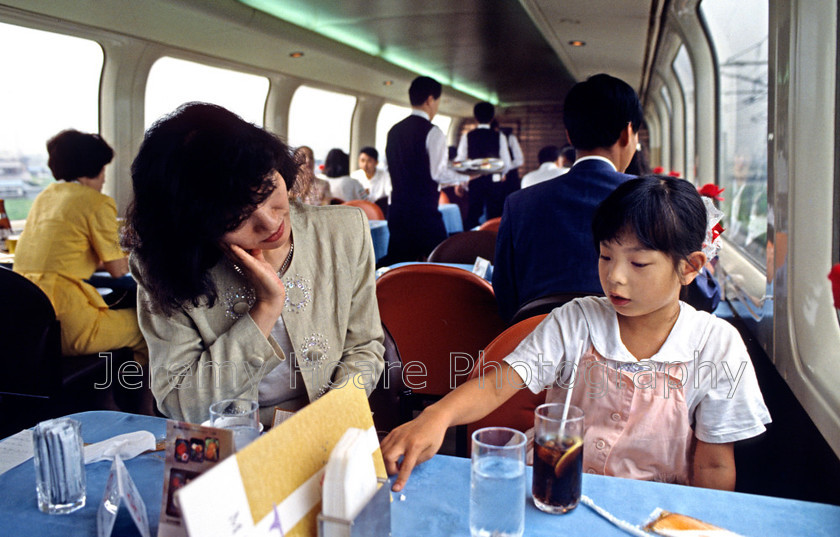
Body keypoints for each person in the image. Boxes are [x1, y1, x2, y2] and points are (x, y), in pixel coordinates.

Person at [381, 176, 771, 492]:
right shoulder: (578, 321)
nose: (615, 276)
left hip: (652, 507)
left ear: (690, 267)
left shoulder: (716, 345)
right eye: (605, 256)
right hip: (556, 487)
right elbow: (501, 382)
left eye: (638, 263)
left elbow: (715, 461)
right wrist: (436, 415)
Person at [124, 103, 385, 424]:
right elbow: (181, 403)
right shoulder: (164, 267)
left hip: (329, 424)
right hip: (229, 435)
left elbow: (365, 347)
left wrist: (331, 416)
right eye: (236, 218)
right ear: (193, 227)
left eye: (266, 188)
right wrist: (266, 307)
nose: (269, 220)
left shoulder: (343, 232)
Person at [493, 73, 641, 323]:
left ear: (570, 136)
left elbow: (505, 297)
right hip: (630, 354)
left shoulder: (518, 204)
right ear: (628, 134)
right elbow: (694, 295)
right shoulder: (656, 200)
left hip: (535, 349)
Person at [13, 130, 148, 367]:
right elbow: (118, 270)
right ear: (95, 168)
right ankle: (136, 405)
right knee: (146, 328)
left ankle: (106, 394)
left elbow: (63, 258)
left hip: (28, 321)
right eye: (104, 170)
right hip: (66, 321)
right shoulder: (97, 202)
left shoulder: (46, 197)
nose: (104, 179)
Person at [384, 76, 473, 263]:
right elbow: (437, 173)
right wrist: (465, 176)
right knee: (442, 262)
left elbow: (388, 167)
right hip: (423, 212)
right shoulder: (434, 132)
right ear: (430, 100)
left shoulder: (393, 131)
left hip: (397, 211)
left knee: (400, 266)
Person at [456, 102, 512, 229]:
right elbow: (507, 163)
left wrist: (461, 181)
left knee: (473, 214)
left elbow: (460, 161)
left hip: (475, 181)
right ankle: (493, 244)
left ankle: (471, 244)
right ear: (492, 118)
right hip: (494, 182)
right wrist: (502, 173)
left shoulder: (467, 136)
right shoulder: (499, 136)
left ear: (475, 117)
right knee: (495, 215)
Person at [351, 146, 391, 215]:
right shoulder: (354, 176)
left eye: (369, 161)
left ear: (376, 162)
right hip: (360, 211)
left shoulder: (385, 176)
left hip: (381, 210)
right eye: (362, 161)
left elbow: (390, 195)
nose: (365, 165)